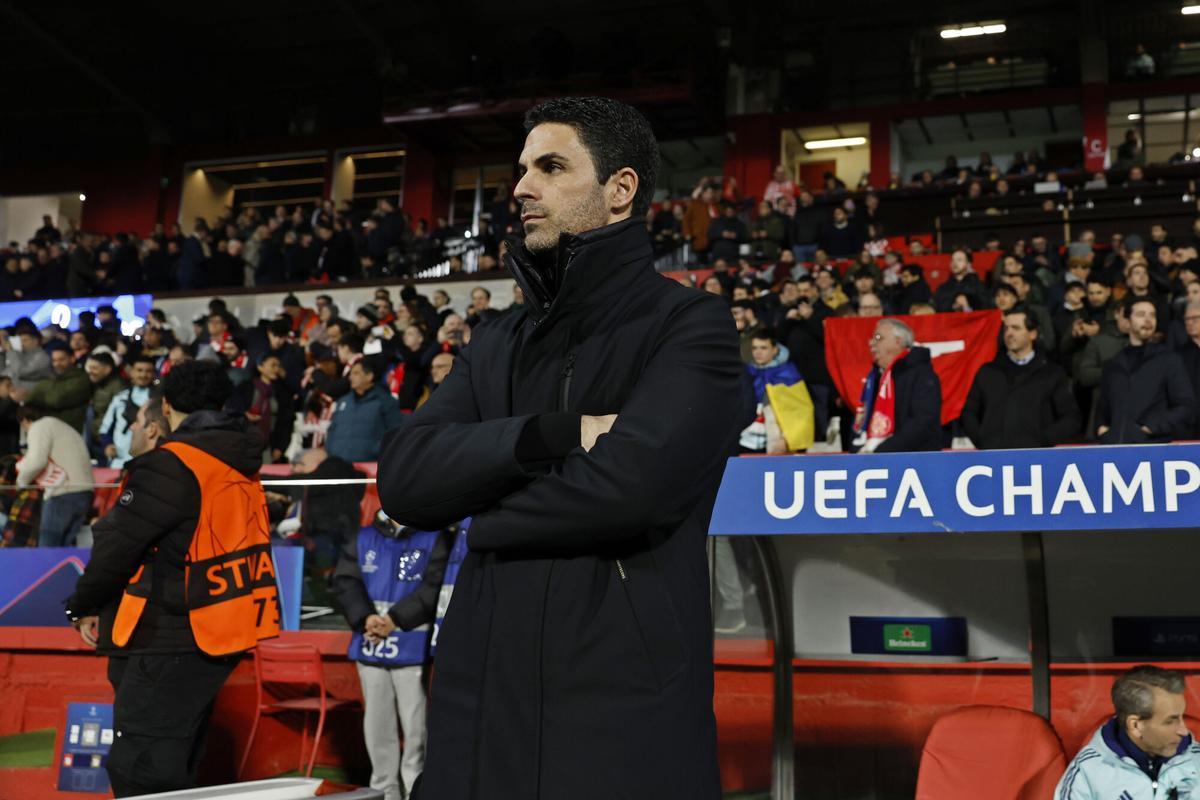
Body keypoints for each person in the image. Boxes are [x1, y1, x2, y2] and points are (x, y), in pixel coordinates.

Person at [378, 96, 742, 800]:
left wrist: (481, 515)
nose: (521, 188)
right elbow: (405, 478)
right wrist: (555, 434)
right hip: (477, 713)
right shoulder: (496, 340)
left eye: (550, 167)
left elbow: (629, 490)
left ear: (620, 189)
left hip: (620, 718)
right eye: (521, 170)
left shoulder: (690, 326)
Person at [64, 361, 279, 797]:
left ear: (165, 407)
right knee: (176, 767)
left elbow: (116, 549)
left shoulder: (171, 464)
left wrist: (80, 605)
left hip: (169, 631)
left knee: (141, 770)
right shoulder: (240, 459)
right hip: (223, 626)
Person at [331, 512, 455, 800]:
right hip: (370, 647)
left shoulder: (434, 537)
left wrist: (395, 620)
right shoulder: (363, 537)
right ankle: (385, 794)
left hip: (413, 650)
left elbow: (434, 586)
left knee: (417, 733)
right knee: (377, 730)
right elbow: (346, 582)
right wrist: (366, 618)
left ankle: (416, 792)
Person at [1056, 666, 1200, 799]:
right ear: (1136, 726)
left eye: (1182, 717)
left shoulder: (1196, 761)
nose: (1184, 731)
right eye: (1170, 721)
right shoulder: (1086, 772)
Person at [961, 310, 1081, 449]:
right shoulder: (988, 371)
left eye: (1016, 328)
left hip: (1035, 458)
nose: (1009, 333)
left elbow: (1071, 417)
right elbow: (969, 412)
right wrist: (983, 440)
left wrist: (1042, 441)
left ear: (1032, 334)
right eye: (1006, 328)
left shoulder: (1052, 373)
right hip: (993, 456)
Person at [1096, 297, 1195, 443]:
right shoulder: (1113, 365)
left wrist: (1151, 428)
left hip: (1153, 447)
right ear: (1127, 322)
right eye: (1141, 314)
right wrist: (1102, 430)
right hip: (1116, 449)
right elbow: (1102, 409)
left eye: (1152, 315)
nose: (1148, 320)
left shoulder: (1169, 360)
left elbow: (1186, 406)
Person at [853, 318, 941, 453]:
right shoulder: (875, 377)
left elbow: (923, 422)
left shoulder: (921, 374)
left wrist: (881, 452)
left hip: (913, 459)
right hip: (876, 456)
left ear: (898, 341)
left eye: (878, 337)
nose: (872, 343)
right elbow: (863, 418)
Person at [16, 405, 93, 547]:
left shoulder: (39, 426)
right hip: (85, 492)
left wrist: (20, 482)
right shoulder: (60, 426)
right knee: (65, 551)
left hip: (63, 492)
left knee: (48, 549)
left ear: (25, 421)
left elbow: (36, 461)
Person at [325, 361, 404, 463]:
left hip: (369, 464)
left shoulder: (386, 401)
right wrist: (330, 450)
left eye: (356, 373)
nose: (350, 377)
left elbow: (395, 431)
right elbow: (332, 429)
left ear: (369, 376)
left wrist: (376, 451)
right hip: (338, 463)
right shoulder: (342, 401)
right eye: (350, 374)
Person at [738, 330, 803, 453]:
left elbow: (799, 411)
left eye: (763, 348)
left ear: (775, 350)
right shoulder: (748, 372)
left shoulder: (788, 374)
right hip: (746, 439)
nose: (758, 352)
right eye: (754, 348)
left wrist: (786, 439)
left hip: (778, 442)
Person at [100, 355, 157, 468]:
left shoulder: (159, 402)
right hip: (118, 462)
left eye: (148, 371)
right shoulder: (120, 398)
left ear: (154, 374)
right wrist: (107, 445)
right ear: (132, 372)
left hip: (148, 463)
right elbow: (105, 429)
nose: (143, 375)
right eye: (139, 370)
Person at [28, 343, 91, 432]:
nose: (57, 364)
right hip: (49, 429)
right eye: (54, 360)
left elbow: (56, 400)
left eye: (61, 359)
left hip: (70, 431)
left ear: (72, 359)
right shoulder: (51, 379)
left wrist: (41, 395)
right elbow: (30, 400)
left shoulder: (81, 379)